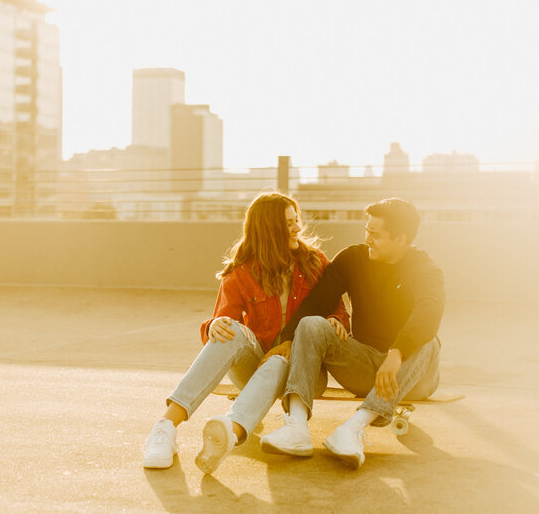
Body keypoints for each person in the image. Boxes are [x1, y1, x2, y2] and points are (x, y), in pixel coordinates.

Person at [142, 192, 348, 473]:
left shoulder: (315, 262)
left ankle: (231, 429)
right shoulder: (241, 272)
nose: (297, 228)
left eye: (296, 220)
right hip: (255, 366)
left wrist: (335, 321)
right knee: (232, 331)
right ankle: (165, 427)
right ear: (269, 230)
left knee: (281, 359)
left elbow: (339, 311)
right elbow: (222, 324)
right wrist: (214, 325)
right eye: (289, 223)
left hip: (304, 374)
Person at [260, 198, 445, 469]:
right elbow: (317, 301)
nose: (367, 238)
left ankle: (353, 429)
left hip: (413, 373)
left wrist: (398, 352)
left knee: (429, 342)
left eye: (375, 234)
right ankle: (296, 428)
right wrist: (287, 339)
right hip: (366, 363)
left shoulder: (423, 268)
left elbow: (429, 313)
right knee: (311, 324)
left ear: (401, 239)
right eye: (366, 230)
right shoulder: (353, 258)